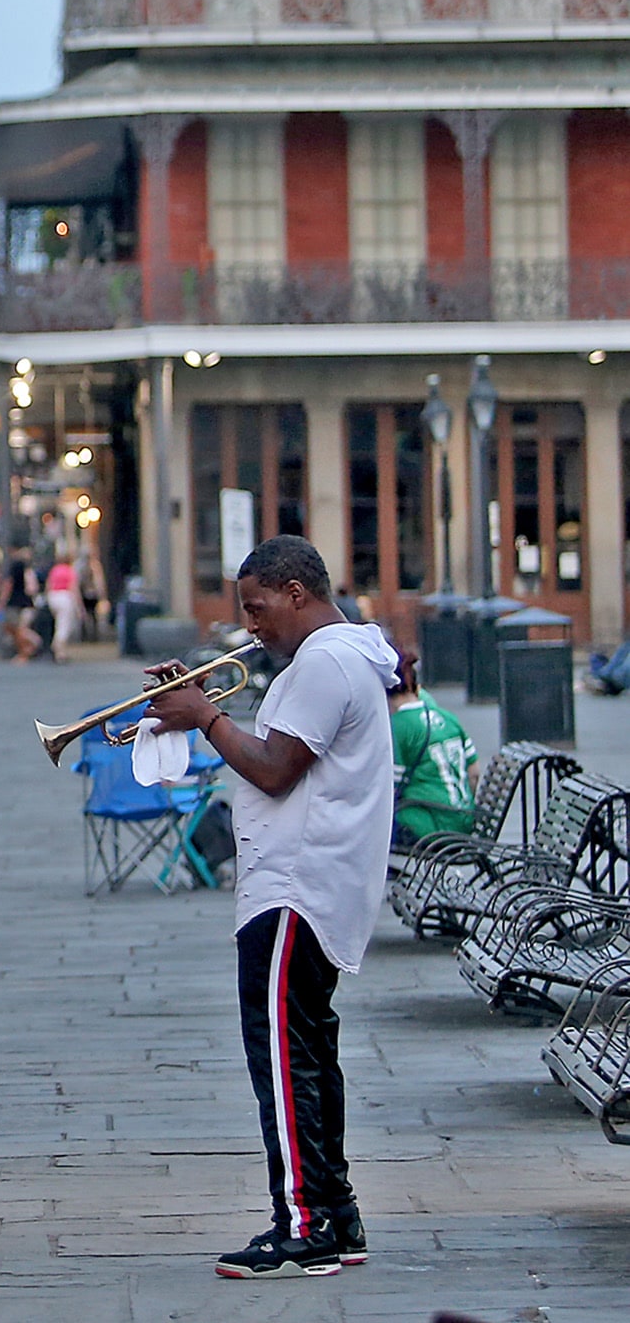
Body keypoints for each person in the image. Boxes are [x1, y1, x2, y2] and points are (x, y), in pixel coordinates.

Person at [144, 535, 398, 1280]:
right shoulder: (344, 658)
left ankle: (303, 1223)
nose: (250, 624)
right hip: (314, 882)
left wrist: (206, 718)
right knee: (311, 1053)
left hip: (296, 885)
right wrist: (198, 707)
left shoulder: (323, 663)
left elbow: (278, 770)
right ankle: (336, 1213)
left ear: (296, 592)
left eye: (256, 608)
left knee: (283, 1062)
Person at [388, 647, 477, 848]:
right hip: (462, 818)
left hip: (428, 825)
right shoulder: (447, 717)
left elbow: (389, 790)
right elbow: (474, 772)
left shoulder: (399, 727)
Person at [0, 545, 41, 662]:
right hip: (27, 602)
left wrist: (1, 602)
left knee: (17, 629)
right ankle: (25, 652)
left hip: (15, 602)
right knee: (21, 629)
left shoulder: (14, 565)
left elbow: (8, 585)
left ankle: (35, 643)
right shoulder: (27, 567)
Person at [44, 552, 82, 664]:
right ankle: (60, 651)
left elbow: (48, 586)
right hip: (65, 597)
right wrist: (79, 606)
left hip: (53, 596)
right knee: (64, 625)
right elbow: (73, 588)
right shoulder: (70, 571)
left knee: (58, 623)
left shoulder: (54, 570)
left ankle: (59, 649)